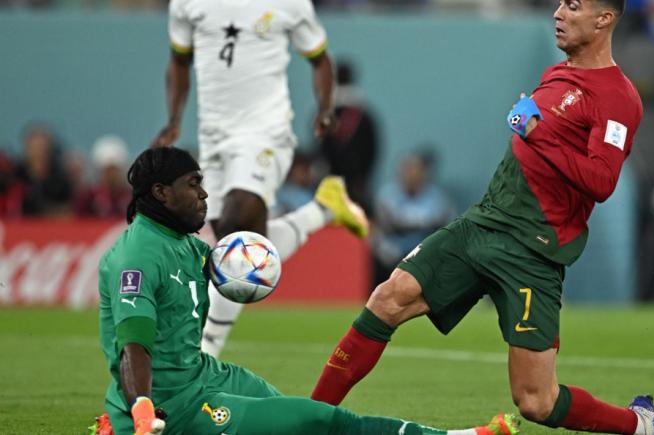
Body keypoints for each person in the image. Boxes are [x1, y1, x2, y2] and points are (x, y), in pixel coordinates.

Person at [310, 1, 654, 434]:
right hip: (483, 224)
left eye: (574, 6)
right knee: (389, 298)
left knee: (536, 402)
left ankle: (641, 426)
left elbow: (601, 180)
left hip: (533, 250)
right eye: (560, 3)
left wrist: (537, 131)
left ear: (604, 18)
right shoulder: (557, 73)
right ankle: (307, 417)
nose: (559, 13)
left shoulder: (618, 97)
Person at [92, 146, 519, 435]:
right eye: (193, 184)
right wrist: (143, 409)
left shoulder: (185, 243)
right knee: (318, 420)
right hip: (176, 406)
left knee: (299, 420)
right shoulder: (139, 257)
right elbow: (134, 347)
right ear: (161, 193)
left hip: (204, 376)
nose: (205, 194)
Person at [152, 0, 369, 357]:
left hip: (265, 130)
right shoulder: (187, 4)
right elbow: (178, 60)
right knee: (233, 242)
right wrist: (174, 119)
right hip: (214, 134)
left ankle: (205, 353)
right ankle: (323, 209)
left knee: (237, 224)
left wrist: (326, 108)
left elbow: (320, 59)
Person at [371, 149, 455, 285]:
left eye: (416, 169)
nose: (411, 174)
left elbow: (445, 229)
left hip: (427, 253)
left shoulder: (438, 199)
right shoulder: (387, 197)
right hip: (395, 253)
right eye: (407, 169)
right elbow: (381, 229)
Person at [318, 60, 379, 212]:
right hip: (358, 183)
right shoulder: (365, 116)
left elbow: (320, 147)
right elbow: (372, 148)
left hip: (330, 183)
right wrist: (363, 177)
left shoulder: (324, 114)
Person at [74, 135, 131, 219]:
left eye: (114, 170)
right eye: (108, 170)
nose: (112, 175)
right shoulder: (88, 197)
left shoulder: (131, 197)